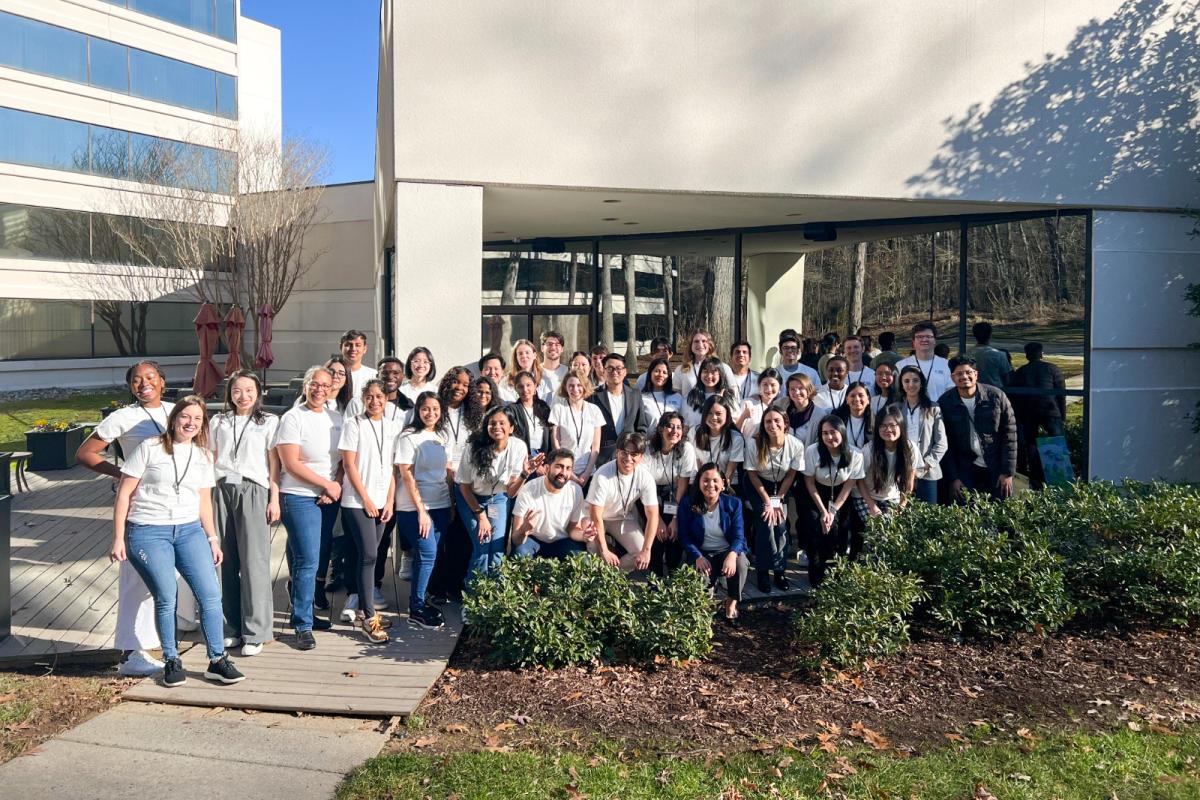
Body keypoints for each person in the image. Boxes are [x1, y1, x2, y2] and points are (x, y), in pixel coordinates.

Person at [112, 396, 244, 687]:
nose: (191, 423)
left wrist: (212, 538)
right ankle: (172, 659)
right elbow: (124, 493)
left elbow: (204, 501)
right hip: (148, 530)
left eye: (197, 419)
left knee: (210, 594)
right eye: (186, 417)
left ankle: (217, 660)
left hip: (189, 530)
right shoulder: (150, 448)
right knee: (167, 595)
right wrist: (119, 537)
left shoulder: (202, 455)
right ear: (174, 419)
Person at [77, 361, 173, 676]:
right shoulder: (124, 416)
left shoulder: (177, 411)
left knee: (170, 574)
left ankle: (166, 634)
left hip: (176, 505)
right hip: (140, 505)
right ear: (130, 386)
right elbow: (86, 453)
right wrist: (121, 473)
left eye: (149, 377)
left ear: (162, 380)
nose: (143, 383)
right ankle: (133, 653)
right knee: (137, 578)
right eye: (136, 380)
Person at [210, 371, 280, 658]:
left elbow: (274, 465)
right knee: (225, 560)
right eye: (237, 391)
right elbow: (211, 458)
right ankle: (231, 628)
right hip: (221, 489)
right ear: (230, 394)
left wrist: (274, 498)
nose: (243, 396)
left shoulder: (269, 421)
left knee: (254, 561)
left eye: (249, 390)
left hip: (253, 490)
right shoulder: (218, 421)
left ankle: (256, 631)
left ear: (258, 392)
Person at [276, 366, 344, 651]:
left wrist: (336, 484)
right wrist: (326, 485)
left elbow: (343, 459)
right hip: (299, 495)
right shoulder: (292, 418)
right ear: (305, 386)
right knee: (309, 560)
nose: (320, 390)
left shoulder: (336, 418)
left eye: (325, 385)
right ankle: (303, 624)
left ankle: (301, 610)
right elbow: (291, 463)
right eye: (314, 384)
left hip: (328, 496)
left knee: (310, 553)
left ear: (332, 389)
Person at [338, 379, 400, 643]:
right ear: (363, 399)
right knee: (368, 555)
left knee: (374, 556)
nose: (375, 401)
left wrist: (389, 501)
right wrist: (366, 499)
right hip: (357, 500)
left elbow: (392, 468)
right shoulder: (354, 424)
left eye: (379, 396)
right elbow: (349, 465)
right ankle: (367, 616)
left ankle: (367, 609)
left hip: (381, 500)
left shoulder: (394, 426)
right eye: (370, 397)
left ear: (386, 399)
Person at [457, 406, 538, 585]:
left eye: (502, 423)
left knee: (497, 548)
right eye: (492, 423)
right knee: (483, 546)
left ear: (511, 428)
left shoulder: (518, 447)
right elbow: (464, 487)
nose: (496, 427)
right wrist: (481, 517)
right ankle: (472, 600)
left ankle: (496, 598)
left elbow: (510, 492)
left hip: (499, 498)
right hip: (472, 497)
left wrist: (525, 474)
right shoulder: (473, 448)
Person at [395, 391, 453, 629]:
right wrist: (421, 510)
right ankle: (416, 609)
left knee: (428, 556)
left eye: (436, 409)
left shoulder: (442, 435)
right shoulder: (409, 437)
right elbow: (406, 473)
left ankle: (418, 601)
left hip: (441, 503)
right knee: (427, 552)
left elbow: (447, 470)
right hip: (414, 506)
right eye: (426, 408)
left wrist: (451, 504)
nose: (431, 413)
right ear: (418, 410)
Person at [678, 463, 749, 625]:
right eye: (706, 480)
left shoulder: (734, 504)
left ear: (723, 484)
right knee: (699, 585)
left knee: (741, 563)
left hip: (725, 551)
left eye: (715, 480)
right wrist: (697, 556)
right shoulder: (688, 503)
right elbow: (684, 537)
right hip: (702, 554)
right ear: (699, 483)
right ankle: (703, 606)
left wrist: (732, 554)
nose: (711, 485)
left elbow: (739, 536)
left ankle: (731, 604)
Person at [939, 355, 1018, 501]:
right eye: (959, 374)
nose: (964, 376)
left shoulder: (996, 396)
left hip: (996, 464)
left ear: (976, 374)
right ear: (952, 377)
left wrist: (1008, 472)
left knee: (1002, 512)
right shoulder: (945, 402)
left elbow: (1010, 435)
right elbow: (946, 444)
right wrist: (954, 477)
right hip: (966, 467)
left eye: (968, 372)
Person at [425, 367, 474, 602]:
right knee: (439, 534)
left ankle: (454, 584)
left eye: (465, 385)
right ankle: (435, 587)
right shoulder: (437, 408)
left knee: (460, 535)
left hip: (464, 478)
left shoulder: (472, 412)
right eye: (456, 382)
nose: (460, 388)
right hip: (439, 477)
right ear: (447, 383)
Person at [744, 407, 804, 593]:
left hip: (781, 488)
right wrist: (767, 502)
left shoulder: (795, 445)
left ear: (785, 423)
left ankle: (779, 570)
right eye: (768, 421)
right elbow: (752, 475)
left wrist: (777, 500)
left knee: (780, 525)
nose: (773, 425)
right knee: (765, 523)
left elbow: (790, 475)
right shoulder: (755, 444)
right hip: (758, 486)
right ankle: (762, 570)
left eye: (777, 420)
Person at [800, 414, 865, 586]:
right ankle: (816, 575)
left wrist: (833, 510)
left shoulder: (855, 454)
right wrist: (823, 511)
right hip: (815, 492)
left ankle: (836, 575)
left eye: (833, 432)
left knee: (839, 532)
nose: (829, 437)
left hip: (840, 494)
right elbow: (809, 481)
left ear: (842, 432)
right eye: (825, 433)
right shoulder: (812, 451)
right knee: (816, 529)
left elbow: (849, 485)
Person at [585, 431, 660, 573]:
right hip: (595, 518)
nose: (628, 458)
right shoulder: (602, 475)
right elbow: (595, 516)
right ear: (617, 452)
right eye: (624, 452)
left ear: (641, 457)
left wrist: (647, 550)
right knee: (595, 551)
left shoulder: (645, 477)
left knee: (640, 551)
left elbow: (653, 515)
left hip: (621, 517)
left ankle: (612, 576)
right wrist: (605, 551)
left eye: (634, 454)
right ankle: (595, 579)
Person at [850, 406, 919, 557]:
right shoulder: (869, 450)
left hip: (891, 496)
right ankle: (872, 569)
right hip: (864, 496)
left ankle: (884, 568)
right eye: (883, 425)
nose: (888, 429)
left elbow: (909, 482)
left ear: (901, 426)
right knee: (878, 527)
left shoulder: (910, 448)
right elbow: (859, 481)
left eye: (892, 425)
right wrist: (872, 506)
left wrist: (902, 506)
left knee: (892, 529)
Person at [510, 448, 591, 559]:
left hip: (562, 541)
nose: (563, 473)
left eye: (568, 468)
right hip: (533, 540)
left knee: (582, 559)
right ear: (547, 468)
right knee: (519, 554)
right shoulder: (528, 489)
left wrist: (584, 535)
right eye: (559, 467)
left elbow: (572, 529)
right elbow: (515, 539)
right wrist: (524, 529)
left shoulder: (575, 490)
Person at [643, 412, 697, 575]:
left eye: (679, 427)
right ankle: (655, 577)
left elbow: (683, 485)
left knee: (674, 531)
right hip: (649, 493)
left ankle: (674, 571)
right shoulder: (648, 449)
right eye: (670, 426)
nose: (674, 431)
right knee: (656, 532)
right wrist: (656, 520)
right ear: (660, 429)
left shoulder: (686, 448)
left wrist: (675, 519)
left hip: (675, 494)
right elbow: (646, 486)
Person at [1009, 341, 1068, 489]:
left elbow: (1015, 396)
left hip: (1028, 411)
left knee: (1031, 443)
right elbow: (1061, 394)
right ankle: (1058, 478)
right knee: (1055, 440)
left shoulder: (1021, 371)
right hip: (1050, 410)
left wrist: (1018, 415)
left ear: (1027, 355)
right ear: (1041, 354)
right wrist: (1062, 415)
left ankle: (1035, 477)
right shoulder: (1052, 369)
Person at [898, 365, 948, 504]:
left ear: (921, 383)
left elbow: (942, 443)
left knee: (928, 516)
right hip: (901, 470)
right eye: (906, 381)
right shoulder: (895, 409)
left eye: (915, 380)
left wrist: (926, 464)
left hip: (927, 472)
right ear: (901, 384)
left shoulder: (933, 408)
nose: (911, 384)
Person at [589, 353, 651, 465]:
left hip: (629, 456)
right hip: (602, 457)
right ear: (603, 371)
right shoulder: (593, 397)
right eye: (610, 368)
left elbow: (641, 426)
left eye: (618, 368)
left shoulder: (635, 395)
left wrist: (637, 448)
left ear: (625, 371)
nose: (614, 372)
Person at [550, 372, 604, 485]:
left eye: (579, 385)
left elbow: (595, 447)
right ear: (565, 387)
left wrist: (587, 473)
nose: (575, 389)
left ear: (584, 386)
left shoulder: (594, 410)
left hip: (588, 473)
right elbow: (556, 443)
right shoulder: (558, 409)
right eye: (571, 385)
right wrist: (570, 473)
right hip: (564, 473)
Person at [687, 395, 745, 486]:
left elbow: (730, 472)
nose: (714, 417)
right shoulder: (694, 433)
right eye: (709, 413)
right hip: (702, 484)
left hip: (726, 485)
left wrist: (718, 490)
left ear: (727, 415)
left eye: (718, 413)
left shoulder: (736, 438)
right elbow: (698, 467)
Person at [896, 322, 954, 402]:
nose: (924, 339)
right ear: (913, 342)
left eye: (928, 336)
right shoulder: (901, 365)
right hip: (910, 413)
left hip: (940, 412)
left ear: (934, 341)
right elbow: (897, 394)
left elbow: (951, 393)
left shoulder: (947, 365)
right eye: (919, 337)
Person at [673, 329, 736, 397]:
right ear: (690, 345)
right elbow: (676, 398)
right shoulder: (680, 370)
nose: (700, 344)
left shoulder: (723, 368)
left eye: (704, 341)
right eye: (696, 341)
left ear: (710, 345)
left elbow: (733, 394)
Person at [681, 356, 738, 429]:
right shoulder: (690, 398)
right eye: (705, 371)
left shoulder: (728, 397)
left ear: (720, 374)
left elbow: (735, 423)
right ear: (700, 374)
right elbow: (684, 426)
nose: (709, 376)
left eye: (713, 372)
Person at [508, 370, 554, 456]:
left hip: (544, 455)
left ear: (535, 386)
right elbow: (512, 438)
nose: (525, 389)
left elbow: (550, 434)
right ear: (516, 389)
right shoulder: (512, 410)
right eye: (520, 386)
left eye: (528, 385)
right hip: (523, 456)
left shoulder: (543, 407)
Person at [639, 356, 684, 432]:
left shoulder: (678, 398)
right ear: (650, 373)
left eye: (664, 372)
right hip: (649, 442)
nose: (660, 375)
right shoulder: (641, 398)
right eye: (657, 371)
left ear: (669, 376)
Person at [736, 368, 783, 439]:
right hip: (749, 448)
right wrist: (743, 417)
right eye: (765, 385)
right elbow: (735, 432)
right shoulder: (748, 403)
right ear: (759, 386)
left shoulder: (781, 406)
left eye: (773, 385)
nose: (769, 389)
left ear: (779, 388)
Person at [782, 373, 821, 446]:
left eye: (801, 388)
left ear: (808, 390)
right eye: (792, 389)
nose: (797, 392)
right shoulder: (782, 409)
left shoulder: (819, 415)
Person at [969, 322, 1011, 388]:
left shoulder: (966, 355)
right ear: (990, 335)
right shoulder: (1000, 355)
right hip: (995, 391)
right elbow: (1006, 379)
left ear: (974, 335)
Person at [835, 382, 874, 450]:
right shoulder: (837, 419)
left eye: (861, 395)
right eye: (852, 396)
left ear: (868, 399)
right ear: (847, 399)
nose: (857, 399)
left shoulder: (875, 421)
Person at [340, 330, 377, 396]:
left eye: (358, 345)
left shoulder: (373, 375)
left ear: (365, 349)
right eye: (348, 345)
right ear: (341, 347)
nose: (353, 349)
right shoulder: (330, 374)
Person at [728, 341, 759, 408]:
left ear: (750, 358)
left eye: (744, 352)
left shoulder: (759, 378)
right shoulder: (724, 378)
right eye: (737, 352)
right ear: (731, 357)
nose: (741, 355)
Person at [540, 331, 568, 398]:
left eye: (557, 344)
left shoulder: (568, 372)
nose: (553, 347)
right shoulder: (534, 371)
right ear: (542, 348)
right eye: (549, 344)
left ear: (562, 349)